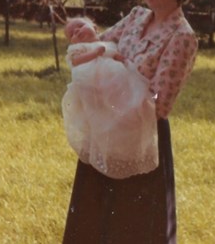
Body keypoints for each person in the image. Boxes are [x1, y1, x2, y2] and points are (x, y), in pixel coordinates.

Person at [63, 0, 198, 244]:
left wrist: (123, 74)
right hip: (105, 130)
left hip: (141, 139)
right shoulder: (136, 17)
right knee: (91, 220)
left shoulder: (182, 37)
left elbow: (161, 105)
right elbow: (100, 45)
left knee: (133, 228)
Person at [62, 16, 159, 179]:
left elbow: (117, 56)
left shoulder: (109, 44)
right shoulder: (79, 49)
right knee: (101, 114)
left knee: (129, 95)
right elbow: (76, 62)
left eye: (79, 26)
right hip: (92, 83)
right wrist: (94, 53)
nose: (77, 32)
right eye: (72, 33)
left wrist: (121, 59)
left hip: (116, 82)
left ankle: (129, 111)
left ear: (94, 27)